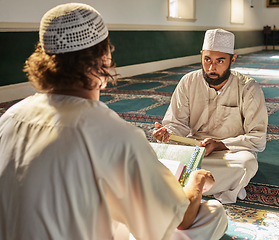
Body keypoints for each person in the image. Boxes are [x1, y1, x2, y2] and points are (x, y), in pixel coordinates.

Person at [0, 3, 227, 240]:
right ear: (104, 58)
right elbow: (180, 219)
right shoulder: (114, 135)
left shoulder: (10, 118)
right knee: (212, 214)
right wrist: (197, 180)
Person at [153, 29, 268, 204]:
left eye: (220, 61)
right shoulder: (188, 82)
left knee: (247, 164)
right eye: (207, 60)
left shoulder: (248, 88)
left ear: (233, 59)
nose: (211, 68)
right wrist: (166, 133)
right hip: (194, 148)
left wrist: (219, 144)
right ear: (201, 56)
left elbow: (257, 139)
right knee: (155, 154)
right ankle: (202, 184)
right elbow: (176, 123)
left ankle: (182, 182)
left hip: (230, 152)